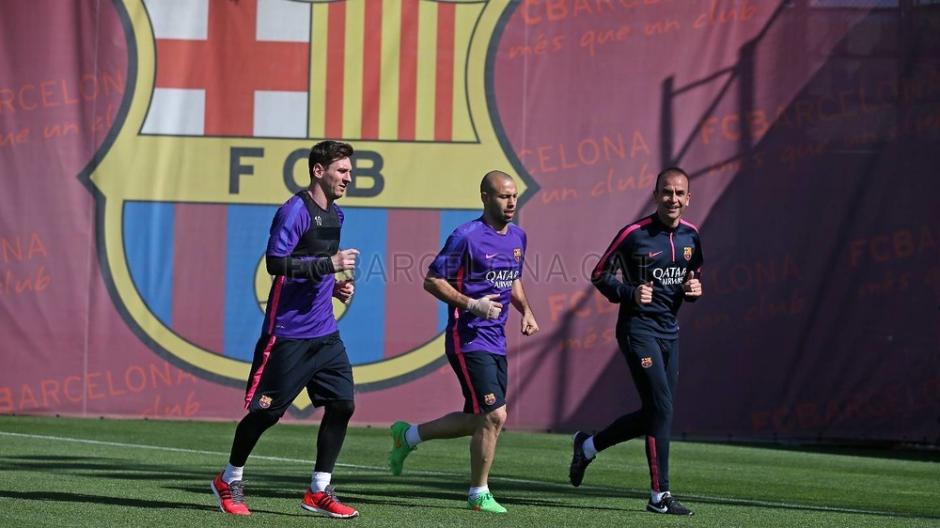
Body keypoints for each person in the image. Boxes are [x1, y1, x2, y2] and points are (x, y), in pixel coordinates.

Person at [210, 140, 361, 518]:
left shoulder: (337, 214)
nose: (348, 177)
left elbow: (316, 264)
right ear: (318, 171)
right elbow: (276, 263)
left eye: (349, 171)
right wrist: (328, 265)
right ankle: (229, 479)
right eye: (342, 170)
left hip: (324, 332)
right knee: (266, 414)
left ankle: (319, 491)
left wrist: (335, 286)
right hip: (288, 333)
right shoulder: (294, 211)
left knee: (343, 404)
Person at [387, 170, 540, 514]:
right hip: (468, 338)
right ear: (485, 197)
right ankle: (478, 493)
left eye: (514, 196)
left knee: (480, 419)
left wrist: (526, 311)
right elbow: (432, 280)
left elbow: (513, 280)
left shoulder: (518, 237)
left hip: (496, 340)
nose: (511, 202)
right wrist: (473, 305)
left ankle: (407, 436)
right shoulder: (466, 236)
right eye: (503, 196)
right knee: (495, 414)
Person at [570, 167, 703, 516]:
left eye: (679, 193)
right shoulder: (634, 234)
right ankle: (659, 495)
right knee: (662, 409)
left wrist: (692, 289)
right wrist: (629, 292)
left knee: (656, 412)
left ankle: (588, 446)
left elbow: (692, 276)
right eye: (666, 192)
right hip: (637, 330)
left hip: (669, 332)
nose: (672, 199)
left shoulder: (691, 235)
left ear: (688, 198)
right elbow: (599, 274)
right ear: (655, 195)